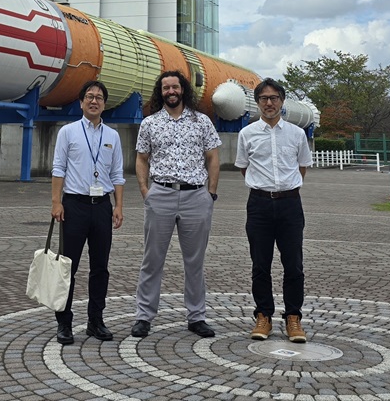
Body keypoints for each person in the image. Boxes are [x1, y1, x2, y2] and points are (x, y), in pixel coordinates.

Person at [131, 70, 221, 338]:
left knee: (195, 261)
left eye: (175, 87)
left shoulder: (202, 121)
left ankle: (197, 316)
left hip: (196, 196)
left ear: (183, 89)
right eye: (165, 88)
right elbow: (141, 159)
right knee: (152, 259)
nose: (171, 91)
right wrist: (146, 191)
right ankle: (144, 316)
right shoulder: (149, 124)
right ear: (160, 93)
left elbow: (213, 158)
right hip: (161, 194)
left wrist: (210, 194)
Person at [235, 78, 313, 343]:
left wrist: (284, 189)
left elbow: (301, 167)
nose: (269, 103)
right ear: (257, 103)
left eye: (274, 98)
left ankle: (294, 318)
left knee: (294, 265)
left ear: (282, 101)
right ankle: (263, 315)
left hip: (290, 204)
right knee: (260, 264)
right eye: (263, 99)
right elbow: (245, 167)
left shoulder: (296, 134)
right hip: (259, 204)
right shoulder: (247, 134)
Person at [51, 80, 125, 345]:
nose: (94, 101)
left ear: (105, 104)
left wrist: (118, 206)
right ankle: (64, 322)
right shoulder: (68, 132)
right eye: (90, 97)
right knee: (67, 268)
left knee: (100, 268)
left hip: (102, 207)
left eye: (99, 98)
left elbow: (117, 174)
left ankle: (96, 320)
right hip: (74, 206)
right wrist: (56, 202)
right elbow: (58, 168)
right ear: (81, 102)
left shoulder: (112, 136)